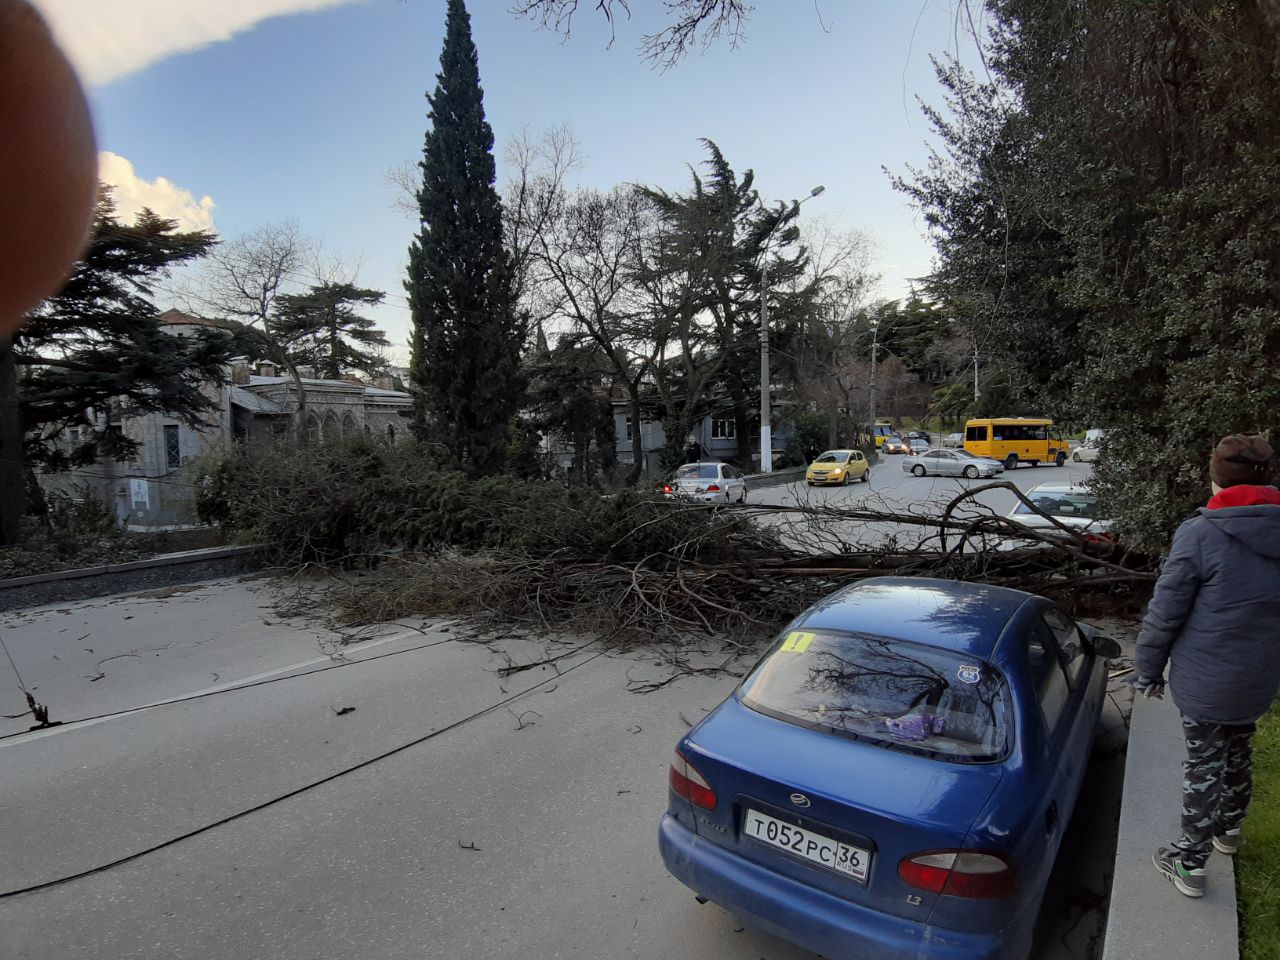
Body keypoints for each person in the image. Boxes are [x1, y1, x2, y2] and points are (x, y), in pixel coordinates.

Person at [1130, 434, 1280, 898]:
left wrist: (1147, 670)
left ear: (1214, 476)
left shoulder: (1201, 533)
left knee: (1205, 764)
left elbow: (1165, 611)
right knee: (1240, 749)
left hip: (1207, 678)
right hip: (1260, 675)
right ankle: (1228, 832)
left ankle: (1189, 864)